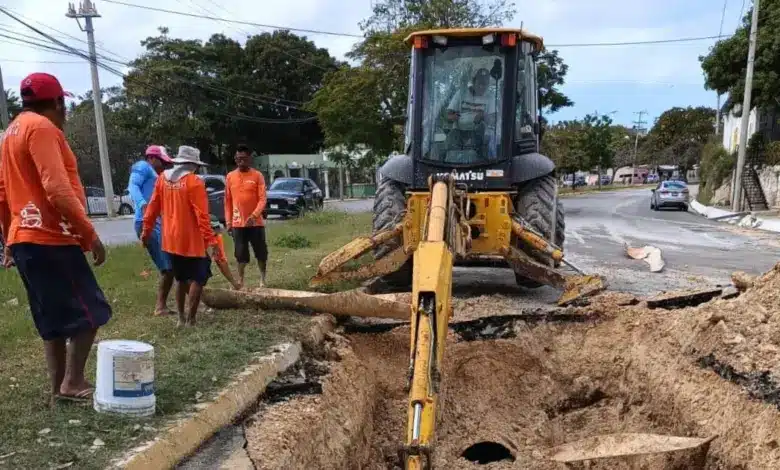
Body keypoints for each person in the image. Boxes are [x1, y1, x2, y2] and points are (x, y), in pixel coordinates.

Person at [0, 72, 111, 406]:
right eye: (65, 104)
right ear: (59, 103)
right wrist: (89, 234)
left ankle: (57, 390)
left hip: (25, 238)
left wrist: (9, 240)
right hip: (51, 237)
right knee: (91, 311)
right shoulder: (43, 128)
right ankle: (73, 382)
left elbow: (3, 195)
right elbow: (57, 188)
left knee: (52, 320)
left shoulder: (10, 133)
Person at [142, 145, 218, 327]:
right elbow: (202, 216)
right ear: (193, 165)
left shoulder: (162, 179)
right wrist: (211, 240)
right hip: (192, 241)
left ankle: (180, 319)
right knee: (198, 278)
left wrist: (146, 232)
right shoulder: (194, 182)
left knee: (181, 279)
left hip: (170, 240)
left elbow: (152, 208)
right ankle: (191, 320)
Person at [128, 145, 175, 316]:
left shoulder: (157, 175)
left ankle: (164, 305)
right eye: (162, 161)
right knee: (168, 267)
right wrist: (143, 204)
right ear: (152, 158)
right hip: (146, 222)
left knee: (170, 266)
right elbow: (132, 186)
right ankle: (160, 307)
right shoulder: (143, 166)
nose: (164, 165)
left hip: (157, 222)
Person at [225, 144, 268, 287]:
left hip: (256, 223)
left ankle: (262, 280)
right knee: (240, 254)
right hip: (238, 224)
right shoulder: (230, 177)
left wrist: (254, 215)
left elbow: (262, 199)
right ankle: (241, 280)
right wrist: (228, 222)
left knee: (261, 252)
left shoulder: (257, 176)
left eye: (243, 158)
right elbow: (228, 201)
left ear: (250, 159)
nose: (240, 161)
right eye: (238, 159)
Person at [446, 68, 498, 152]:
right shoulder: (461, 93)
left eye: (485, 84)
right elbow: (448, 116)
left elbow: (494, 120)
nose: (482, 87)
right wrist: (453, 117)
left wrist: (484, 117)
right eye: (479, 83)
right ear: (473, 82)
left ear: (488, 84)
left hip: (479, 134)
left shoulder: (490, 97)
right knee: (450, 140)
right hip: (459, 132)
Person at [210, 218, 242, 290]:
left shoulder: (217, 237)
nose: (216, 231)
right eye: (213, 228)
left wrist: (234, 283)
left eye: (217, 228)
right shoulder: (196, 236)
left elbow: (221, 261)